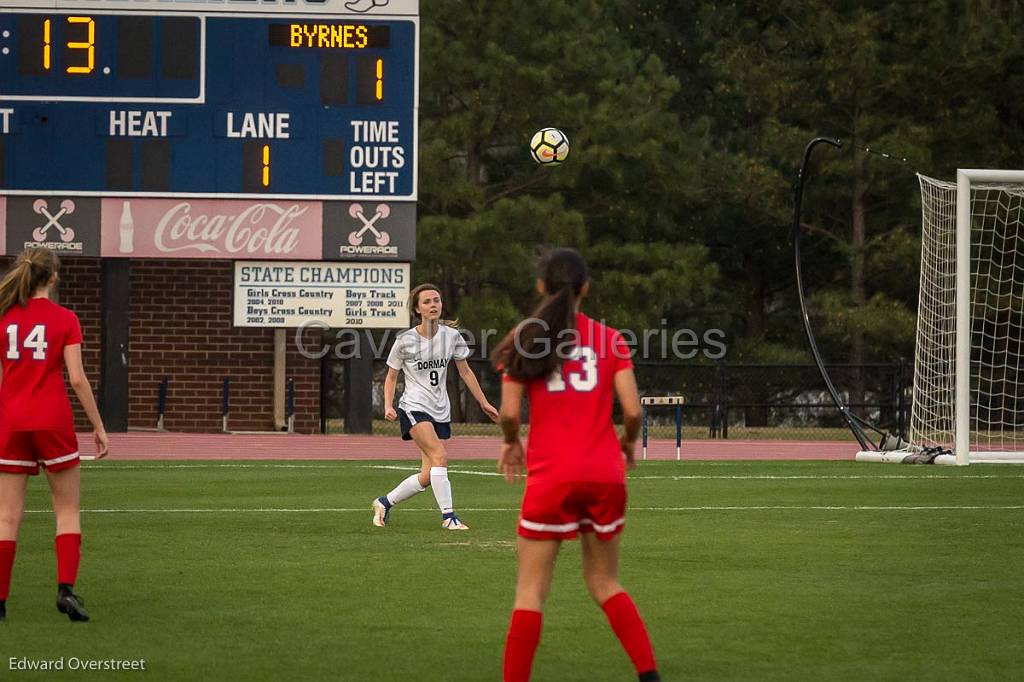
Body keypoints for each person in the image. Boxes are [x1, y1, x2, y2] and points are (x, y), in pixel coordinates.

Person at [492, 248, 660, 682]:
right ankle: (649, 674)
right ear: (585, 287)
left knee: (530, 592)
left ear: (541, 287)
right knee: (605, 583)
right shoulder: (610, 338)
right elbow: (633, 410)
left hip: (552, 476)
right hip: (605, 473)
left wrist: (512, 443)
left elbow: (510, 415)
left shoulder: (524, 338)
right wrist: (627, 441)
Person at [0, 247, 109, 623]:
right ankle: (65, 592)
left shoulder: (5, 317)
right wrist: (97, 425)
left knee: (7, 517)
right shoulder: (65, 319)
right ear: (53, 277)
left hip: (11, 420)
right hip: (53, 420)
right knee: (66, 510)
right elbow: (76, 379)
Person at [371, 283, 499, 530]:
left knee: (429, 475)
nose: (433, 305)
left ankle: (384, 502)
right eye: (427, 301)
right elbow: (391, 376)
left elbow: (466, 372)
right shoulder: (405, 340)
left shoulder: (452, 336)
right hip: (413, 406)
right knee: (440, 455)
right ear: (417, 309)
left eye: (436, 300)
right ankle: (448, 518)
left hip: (439, 408)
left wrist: (483, 402)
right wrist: (388, 404)